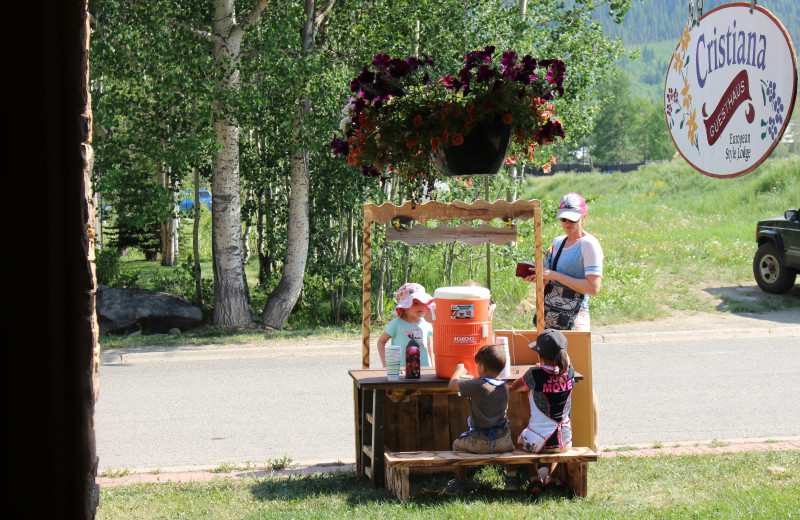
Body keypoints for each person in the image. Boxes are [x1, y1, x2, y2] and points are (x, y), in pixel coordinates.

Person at [523, 191, 603, 331]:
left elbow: (593, 288)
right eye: (563, 219)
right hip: (552, 312)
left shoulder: (589, 244)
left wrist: (556, 276)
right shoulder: (558, 242)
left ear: (583, 217)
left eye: (572, 219)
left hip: (576, 314)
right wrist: (538, 274)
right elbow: (550, 276)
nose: (567, 223)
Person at [508, 329, 574, 493]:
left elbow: (515, 387)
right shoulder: (569, 371)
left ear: (539, 356)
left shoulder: (535, 374)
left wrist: (536, 369)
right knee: (553, 442)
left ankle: (535, 480)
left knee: (523, 439)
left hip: (538, 442)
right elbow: (556, 373)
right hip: (564, 441)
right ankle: (551, 478)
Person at [444, 344, 515, 494]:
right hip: (503, 441)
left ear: (482, 367)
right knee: (510, 449)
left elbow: (452, 386)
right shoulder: (504, 387)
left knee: (456, 445)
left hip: (480, 442)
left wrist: (458, 371)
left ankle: (462, 482)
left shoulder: (478, 384)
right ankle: (512, 479)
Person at [376, 283, 435, 367]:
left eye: (423, 302)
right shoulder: (396, 324)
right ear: (404, 306)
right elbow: (381, 342)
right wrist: (386, 365)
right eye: (415, 303)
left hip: (424, 371)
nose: (421, 306)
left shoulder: (426, 323)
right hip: (402, 373)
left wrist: (432, 365)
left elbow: (429, 344)